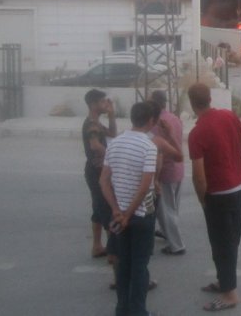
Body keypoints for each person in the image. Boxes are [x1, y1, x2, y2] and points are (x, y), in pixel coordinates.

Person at [188, 82, 241, 312]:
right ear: (210, 98)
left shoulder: (197, 133)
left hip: (218, 194)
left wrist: (201, 198)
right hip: (238, 187)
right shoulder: (228, 116)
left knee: (221, 244)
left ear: (191, 103)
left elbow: (198, 176)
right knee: (230, 240)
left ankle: (230, 295)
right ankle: (224, 281)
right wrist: (229, 158)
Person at [99, 102, 158, 316]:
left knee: (123, 264)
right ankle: (138, 311)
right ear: (151, 121)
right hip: (141, 215)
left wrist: (117, 210)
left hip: (119, 215)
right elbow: (144, 187)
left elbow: (104, 180)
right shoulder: (149, 146)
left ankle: (122, 309)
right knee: (140, 266)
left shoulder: (114, 143)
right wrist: (129, 213)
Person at [147, 90, 187, 255]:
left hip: (165, 171)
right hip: (178, 170)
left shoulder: (156, 123)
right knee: (173, 207)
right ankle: (166, 232)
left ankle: (176, 245)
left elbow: (157, 153)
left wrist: (154, 178)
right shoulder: (175, 118)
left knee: (166, 211)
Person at [82, 89, 117, 259]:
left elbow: (112, 134)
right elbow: (95, 145)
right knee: (106, 208)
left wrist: (111, 115)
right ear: (93, 104)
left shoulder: (96, 122)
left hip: (96, 171)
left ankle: (97, 246)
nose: (106, 104)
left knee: (97, 208)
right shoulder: (92, 124)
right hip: (96, 173)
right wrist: (111, 155)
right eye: (103, 102)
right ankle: (112, 252)